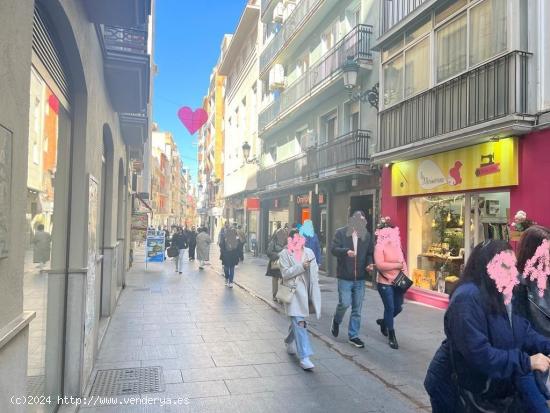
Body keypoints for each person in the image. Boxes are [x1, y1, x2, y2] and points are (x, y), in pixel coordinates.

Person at [424, 240, 550, 413]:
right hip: (456, 388)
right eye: (506, 266)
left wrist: (546, 345)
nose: (514, 273)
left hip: (487, 388)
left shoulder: (501, 292)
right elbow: (479, 354)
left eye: (514, 266)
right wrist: (527, 362)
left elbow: (522, 331)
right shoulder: (467, 298)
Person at [330, 211, 374, 349]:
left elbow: (369, 253)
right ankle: (336, 320)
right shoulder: (341, 233)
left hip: (360, 278)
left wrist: (369, 263)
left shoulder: (366, 236)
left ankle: (353, 336)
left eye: (363, 220)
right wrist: (345, 252)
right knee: (344, 303)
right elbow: (333, 249)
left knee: (357, 309)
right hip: (345, 276)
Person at [279, 229, 321, 371]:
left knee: (297, 322)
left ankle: (289, 340)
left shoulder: (309, 252)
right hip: (294, 293)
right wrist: (301, 267)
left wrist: (315, 292)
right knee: (300, 322)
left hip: (307, 294)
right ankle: (305, 357)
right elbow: (285, 274)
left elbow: (314, 274)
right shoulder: (285, 254)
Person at [373, 219, 407, 350]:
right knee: (390, 308)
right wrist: (397, 266)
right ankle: (391, 335)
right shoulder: (379, 247)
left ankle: (384, 322)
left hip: (398, 281)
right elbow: (380, 265)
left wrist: (406, 277)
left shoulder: (397, 245)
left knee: (398, 307)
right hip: (385, 282)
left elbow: (403, 263)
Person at [266, 226, 289, 302]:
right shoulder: (273, 242)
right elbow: (269, 252)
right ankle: (275, 295)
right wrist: (278, 254)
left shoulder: (286, 242)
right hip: (276, 262)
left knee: (283, 279)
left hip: (284, 263)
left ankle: (281, 296)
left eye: (283, 234)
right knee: (275, 279)